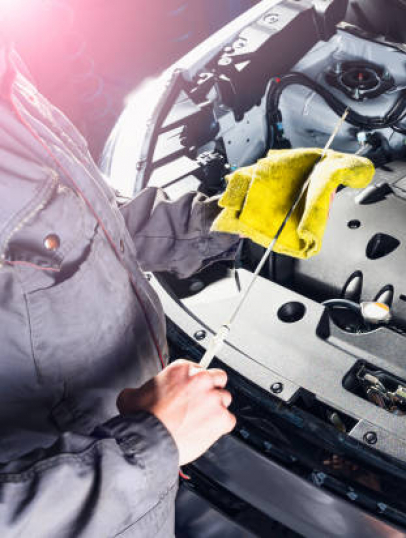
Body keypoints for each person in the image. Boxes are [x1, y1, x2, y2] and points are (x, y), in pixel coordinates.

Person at [0, 39, 243, 536]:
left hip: (139, 488)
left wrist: (226, 221)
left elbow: (83, 219)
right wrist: (151, 442)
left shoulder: (9, 77)